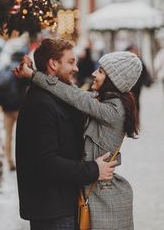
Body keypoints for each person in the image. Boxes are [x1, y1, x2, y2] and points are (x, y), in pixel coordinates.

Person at [16, 42, 142, 230]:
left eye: (100, 71)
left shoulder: (113, 109)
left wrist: (34, 75)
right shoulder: (104, 102)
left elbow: (74, 96)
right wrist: (33, 75)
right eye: (71, 62)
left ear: (113, 79)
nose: (91, 73)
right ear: (53, 64)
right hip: (67, 200)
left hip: (100, 197)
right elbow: (71, 93)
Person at [0, 50, 28, 171]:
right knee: (23, 136)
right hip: (19, 108)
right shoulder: (20, 70)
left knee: (8, 135)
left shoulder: (4, 69)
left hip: (6, 108)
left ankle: (9, 161)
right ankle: (23, 162)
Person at [126, 45, 152, 113]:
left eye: (135, 51)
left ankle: (136, 119)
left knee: (136, 102)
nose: (134, 52)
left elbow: (145, 73)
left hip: (137, 87)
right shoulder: (125, 62)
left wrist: (145, 82)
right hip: (128, 87)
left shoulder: (140, 61)